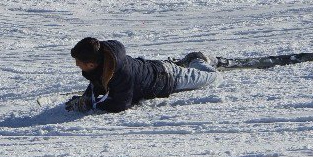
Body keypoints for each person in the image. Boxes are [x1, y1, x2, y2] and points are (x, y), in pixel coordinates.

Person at [65, 38, 221, 113]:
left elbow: (121, 104)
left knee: (214, 77)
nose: (77, 65)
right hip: (153, 68)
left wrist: (93, 104)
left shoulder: (121, 74)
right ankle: (181, 64)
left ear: (92, 64)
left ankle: (196, 59)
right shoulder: (103, 56)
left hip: (168, 78)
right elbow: (97, 83)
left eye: (78, 61)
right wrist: (84, 99)